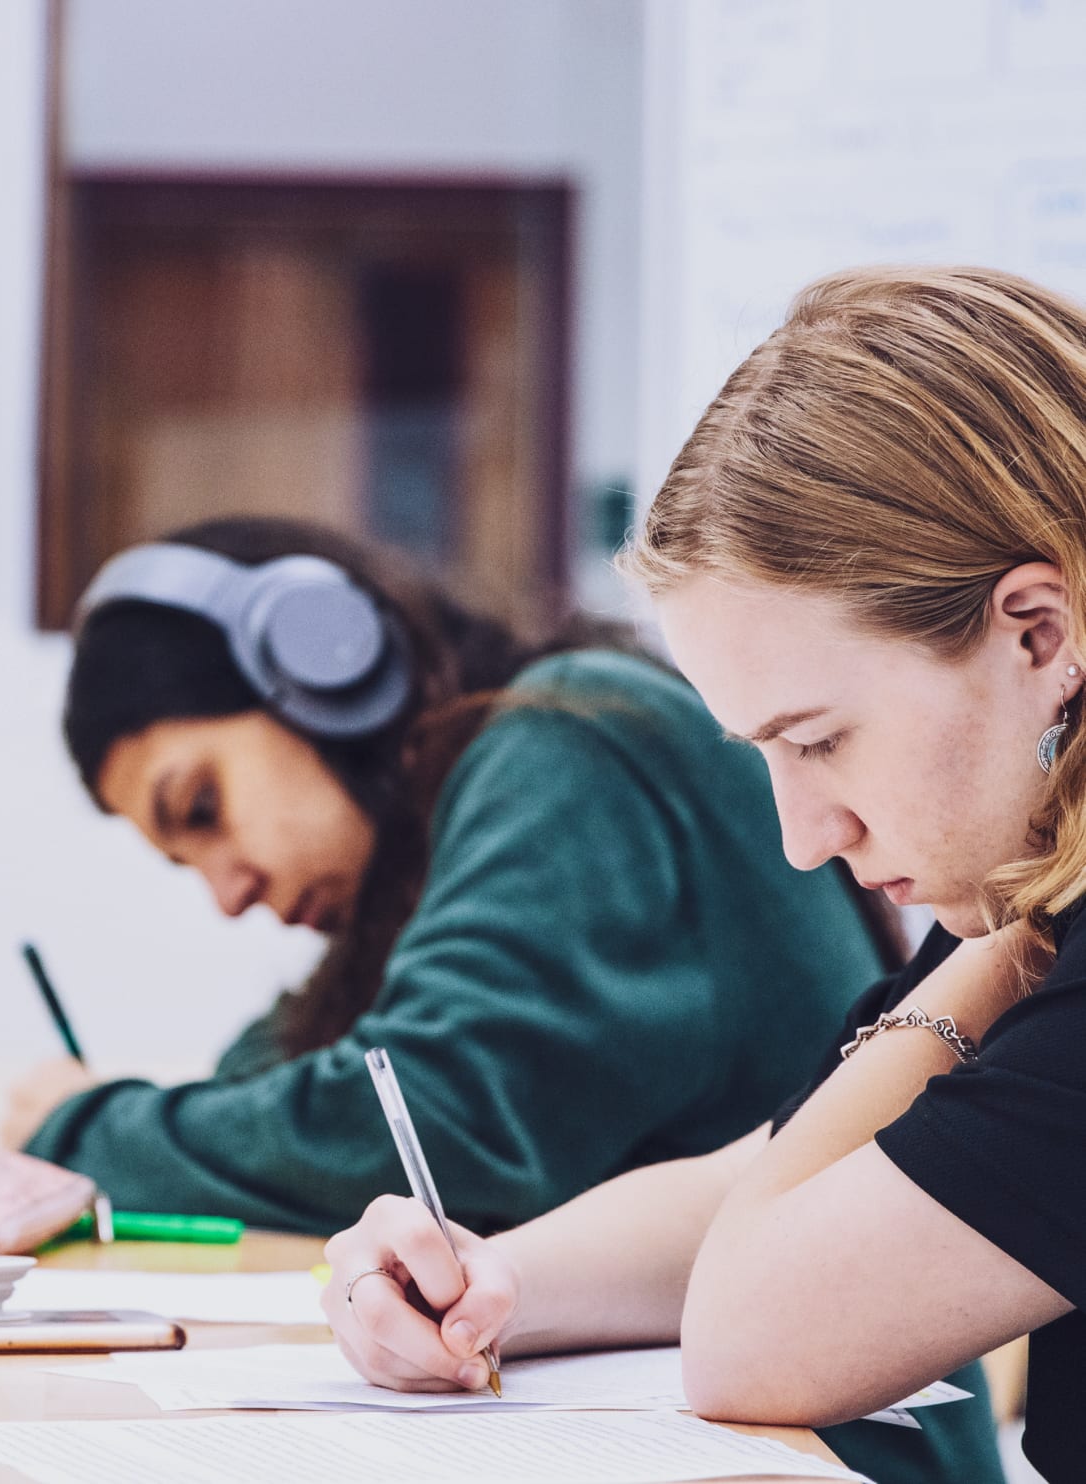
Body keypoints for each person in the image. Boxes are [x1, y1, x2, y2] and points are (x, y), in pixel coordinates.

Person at [318, 267, 1086, 1482]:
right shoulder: (1035, 894)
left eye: (821, 738)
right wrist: (491, 1278)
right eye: (765, 754)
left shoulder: (1032, 943)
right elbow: (810, 1183)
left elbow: (756, 1333)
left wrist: (995, 956)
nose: (804, 835)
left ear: (1040, 632)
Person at [3, 514, 891, 1247]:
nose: (228, 895)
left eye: (203, 809)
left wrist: (81, 1129)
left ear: (322, 664)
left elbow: (430, 1124)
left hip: (813, 1451)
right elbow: (270, 1083)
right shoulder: (436, 840)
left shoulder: (573, 742)